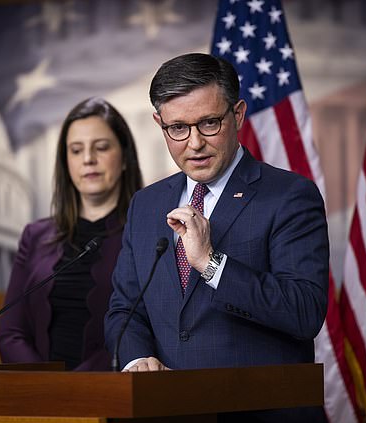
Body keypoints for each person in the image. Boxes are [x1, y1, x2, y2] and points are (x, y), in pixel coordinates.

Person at [104, 53, 329, 421]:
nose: (194, 143)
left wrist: (211, 264)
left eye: (209, 123)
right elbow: (124, 310)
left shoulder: (289, 196)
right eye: (177, 128)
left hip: (260, 413)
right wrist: (136, 360)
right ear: (159, 124)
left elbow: (303, 312)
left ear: (237, 114)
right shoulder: (145, 204)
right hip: (164, 411)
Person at [0, 97, 143, 371]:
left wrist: (77, 386)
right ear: (66, 162)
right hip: (42, 400)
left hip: (112, 394)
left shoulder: (147, 236)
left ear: (124, 158)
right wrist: (46, 387)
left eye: (101, 147)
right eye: (76, 150)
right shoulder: (35, 236)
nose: (88, 159)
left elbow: (145, 329)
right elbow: (11, 333)